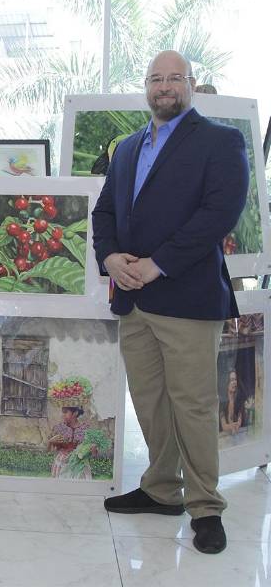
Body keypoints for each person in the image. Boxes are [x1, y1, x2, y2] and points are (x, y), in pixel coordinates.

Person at [92, 50, 249, 554]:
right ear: (146, 87)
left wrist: (157, 264)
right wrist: (110, 257)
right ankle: (162, 489)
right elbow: (105, 213)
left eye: (174, 78)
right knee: (151, 403)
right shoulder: (128, 148)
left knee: (194, 406)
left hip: (186, 298)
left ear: (190, 83)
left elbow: (218, 213)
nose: (165, 86)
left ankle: (205, 507)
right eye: (156, 79)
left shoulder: (221, 141)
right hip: (133, 301)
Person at [47, 406, 92, 479]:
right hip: (62, 463)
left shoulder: (85, 429)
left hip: (79, 464)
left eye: (65, 412)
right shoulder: (59, 428)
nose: (63, 415)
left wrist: (90, 449)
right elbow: (49, 450)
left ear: (75, 413)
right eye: (63, 412)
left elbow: (92, 452)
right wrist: (50, 442)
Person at [219, 370, 244, 435]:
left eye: (235, 379)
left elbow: (239, 420)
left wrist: (237, 424)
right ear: (226, 383)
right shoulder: (222, 403)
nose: (234, 382)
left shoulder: (239, 400)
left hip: (237, 435)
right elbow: (224, 426)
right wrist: (233, 426)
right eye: (231, 380)